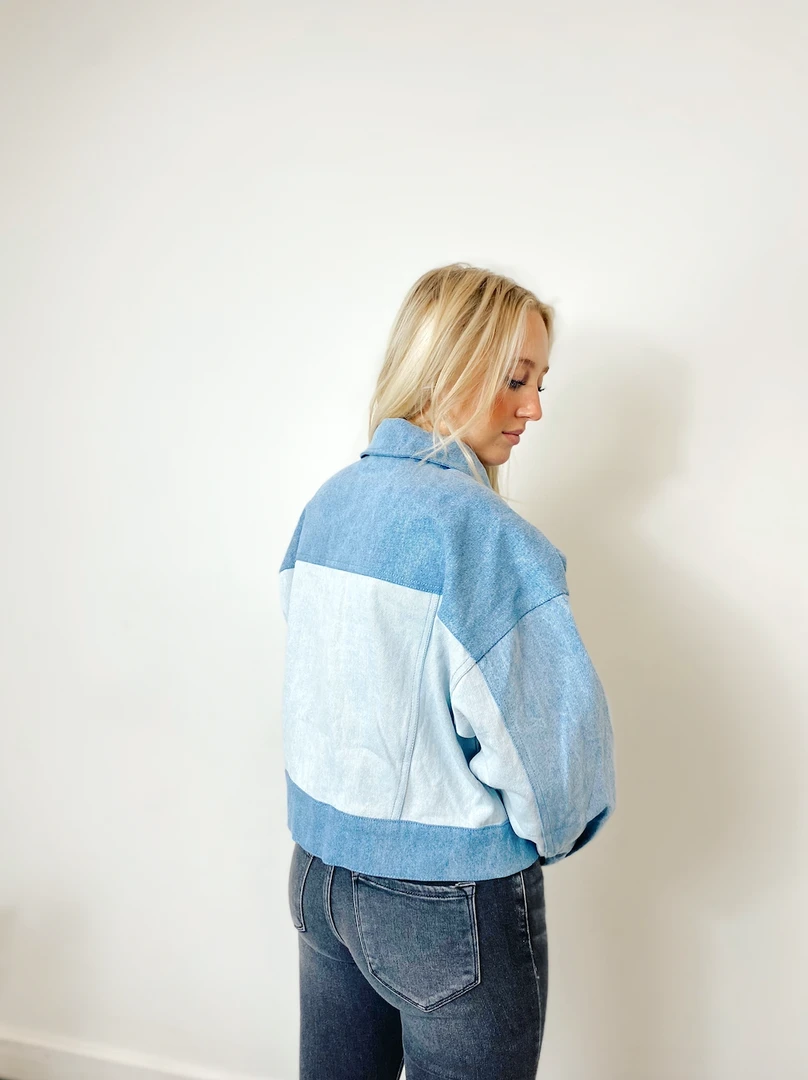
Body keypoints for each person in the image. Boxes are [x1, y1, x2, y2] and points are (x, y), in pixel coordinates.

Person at [278, 262, 617, 1079]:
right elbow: (557, 767)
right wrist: (559, 833)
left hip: (319, 878)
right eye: (514, 379)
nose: (534, 408)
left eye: (538, 383)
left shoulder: (328, 506)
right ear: (448, 364)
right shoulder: (488, 537)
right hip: (447, 906)